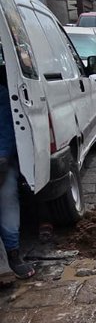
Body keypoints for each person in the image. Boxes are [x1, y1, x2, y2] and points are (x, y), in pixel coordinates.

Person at [0, 61, 34, 279]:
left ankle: (13, 253)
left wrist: (2, 158)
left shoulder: (1, 94)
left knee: (7, 198)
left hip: (2, 160)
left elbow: (6, 128)